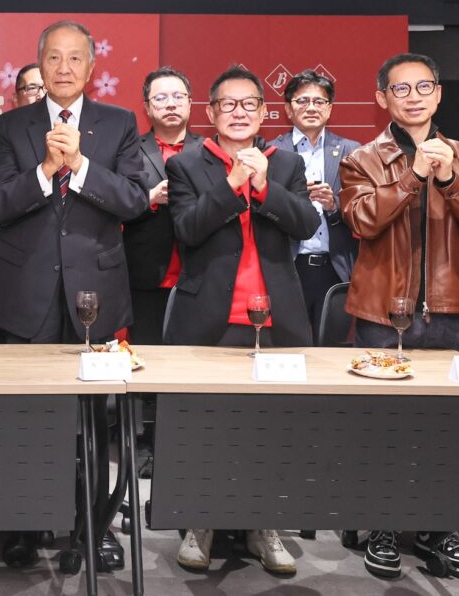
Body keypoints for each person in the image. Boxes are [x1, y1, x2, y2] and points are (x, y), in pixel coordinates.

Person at [0, 21, 149, 571]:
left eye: (76, 58)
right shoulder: (11, 126)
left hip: (94, 295)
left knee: (93, 423)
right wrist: (46, 169)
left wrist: (79, 166)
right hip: (23, 293)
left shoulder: (119, 124)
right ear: (41, 64)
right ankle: (24, 525)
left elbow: (134, 201)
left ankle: (92, 526)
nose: (65, 68)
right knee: (24, 419)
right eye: (54, 58)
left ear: (92, 67)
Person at [166, 65, 320, 576]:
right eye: (228, 104)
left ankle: (264, 526)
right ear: (211, 113)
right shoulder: (187, 164)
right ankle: (200, 523)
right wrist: (232, 185)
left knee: (272, 429)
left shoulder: (287, 161)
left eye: (249, 103)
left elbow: (306, 223)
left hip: (276, 317)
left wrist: (264, 186)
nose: (239, 112)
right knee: (205, 427)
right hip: (211, 318)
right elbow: (187, 230)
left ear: (263, 112)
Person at [339, 53, 459, 582]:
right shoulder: (361, 158)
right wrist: (413, 176)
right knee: (382, 425)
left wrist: (448, 181)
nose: (414, 97)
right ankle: (381, 527)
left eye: (424, 87)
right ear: (383, 99)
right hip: (383, 313)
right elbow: (361, 220)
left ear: (439, 94)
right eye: (401, 89)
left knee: (451, 426)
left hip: (451, 311)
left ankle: (442, 531)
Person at [269, 69, 360, 345]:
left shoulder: (351, 151)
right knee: (287, 348)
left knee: (331, 350)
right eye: (302, 101)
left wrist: (334, 204)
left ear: (329, 109)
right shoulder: (271, 152)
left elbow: (363, 210)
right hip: (287, 266)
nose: (311, 107)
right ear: (288, 109)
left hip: (335, 267)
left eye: (319, 101)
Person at [123, 66, 203, 347]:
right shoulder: (129, 151)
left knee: (196, 358)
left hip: (200, 276)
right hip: (145, 277)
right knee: (146, 355)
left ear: (190, 103)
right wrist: (149, 199)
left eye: (178, 97)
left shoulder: (210, 150)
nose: (171, 104)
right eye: (160, 98)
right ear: (146, 107)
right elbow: (113, 205)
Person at [0, 63, 44, 221]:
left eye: (46, 88)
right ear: (15, 99)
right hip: (17, 232)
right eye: (32, 88)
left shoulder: (69, 138)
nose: (40, 95)